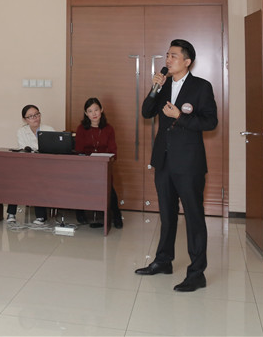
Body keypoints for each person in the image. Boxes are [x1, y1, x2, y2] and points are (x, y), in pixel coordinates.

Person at [135, 39, 218, 293]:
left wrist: (179, 116)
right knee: (166, 214)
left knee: (193, 216)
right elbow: (146, 112)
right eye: (167, 55)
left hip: (189, 162)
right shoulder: (163, 85)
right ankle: (163, 261)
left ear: (187, 61)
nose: (168, 60)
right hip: (164, 160)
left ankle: (197, 273)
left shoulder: (201, 87)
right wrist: (154, 89)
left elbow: (210, 122)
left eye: (173, 56)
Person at [74, 97, 123, 229]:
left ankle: (116, 215)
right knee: (80, 184)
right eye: (90, 111)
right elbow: (79, 151)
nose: (94, 114)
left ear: (101, 110)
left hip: (103, 166)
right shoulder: (81, 129)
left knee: (109, 189)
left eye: (96, 110)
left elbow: (113, 151)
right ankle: (80, 212)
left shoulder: (109, 129)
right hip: (86, 166)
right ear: (86, 113)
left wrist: (105, 160)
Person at [6, 104, 54, 224]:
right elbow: (24, 149)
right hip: (27, 166)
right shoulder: (21, 131)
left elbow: (53, 150)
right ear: (25, 119)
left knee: (38, 178)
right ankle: (11, 213)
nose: (35, 118)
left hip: (45, 167)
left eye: (37, 114)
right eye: (31, 116)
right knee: (15, 178)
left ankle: (40, 216)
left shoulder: (49, 130)